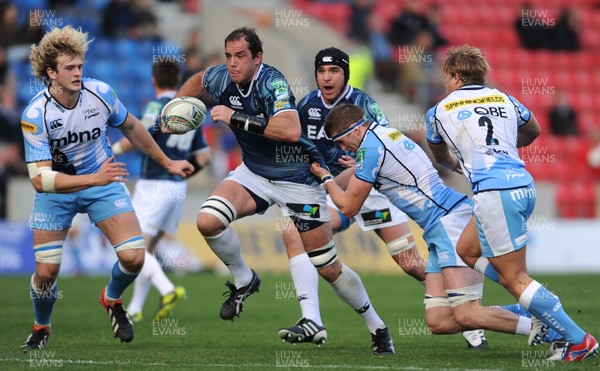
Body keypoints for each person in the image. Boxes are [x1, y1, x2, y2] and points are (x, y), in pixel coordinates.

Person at [173, 27, 394, 354]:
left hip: (298, 180)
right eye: (229, 56)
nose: (233, 63)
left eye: (241, 56)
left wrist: (234, 116)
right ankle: (245, 280)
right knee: (207, 221)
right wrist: (178, 104)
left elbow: (290, 130)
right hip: (255, 173)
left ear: (258, 57)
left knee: (328, 266)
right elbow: (200, 79)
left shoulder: (272, 82)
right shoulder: (221, 77)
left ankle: (377, 327)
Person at [310, 103, 558, 353]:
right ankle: (526, 312)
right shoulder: (384, 136)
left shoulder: (372, 148)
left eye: (341, 141)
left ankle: (547, 330)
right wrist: (325, 185)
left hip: (449, 223)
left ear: (355, 130)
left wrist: (325, 178)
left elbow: (349, 207)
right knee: (439, 321)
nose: (343, 149)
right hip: (441, 225)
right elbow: (356, 174)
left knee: (467, 314)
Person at [278, 47, 483, 348]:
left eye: (333, 71)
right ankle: (313, 320)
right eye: (321, 72)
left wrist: (361, 165)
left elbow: (386, 150)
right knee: (295, 232)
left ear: (344, 74)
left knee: (411, 264)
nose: (326, 77)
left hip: (375, 191)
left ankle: (468, 317)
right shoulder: (306, 105)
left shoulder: (364, 103)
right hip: (336, 190)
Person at [19, 25, 193, 351]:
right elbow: (40, 179)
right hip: (58, 192)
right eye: (69, 68)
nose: (77, 73)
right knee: (46, 273)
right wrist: (94, 179)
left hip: (103, 183)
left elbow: (133, 127)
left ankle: (112, 299)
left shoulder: (101, 93)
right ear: (50, 73)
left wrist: (167, 161)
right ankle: (41, 326)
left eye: (80, 66)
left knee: (134, 258)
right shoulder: (34, 114)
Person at [426, 44, 598, 362]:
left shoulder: (438, 111)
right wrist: (506, 147)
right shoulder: (503, 98)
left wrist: (459, 163)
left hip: (495, 194)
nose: (444, 82)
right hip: (521, 184)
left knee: (513, 278)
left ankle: (578, 340)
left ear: (454, 76)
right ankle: (537, 301)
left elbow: (439, 155)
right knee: (466, 251)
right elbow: (533, 130)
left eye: (446, 76)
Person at [111, 60, 211, 322]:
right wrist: (181, 174)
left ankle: (168, 289)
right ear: (178, 81)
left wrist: (112, 151)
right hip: (176, 189)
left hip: (154, 184)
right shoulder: (190, 111)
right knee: (148, 250)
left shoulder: (156, 107)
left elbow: (138, 135)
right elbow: (204, 157)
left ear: (154, 80)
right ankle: (136, 308)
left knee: (136, 247)